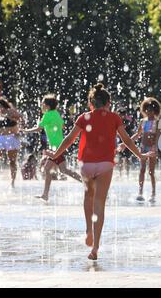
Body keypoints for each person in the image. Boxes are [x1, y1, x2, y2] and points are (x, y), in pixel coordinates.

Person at [44, 83, 152, 260]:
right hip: (105, 165)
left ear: (90, 103)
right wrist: (140, 155)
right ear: (109, 102)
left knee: (88, 196)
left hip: (86, 164)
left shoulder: (83, 117)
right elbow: (126, 140)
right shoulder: (114, 118)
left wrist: (56, 154)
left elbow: (69, 139)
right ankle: (95, 247)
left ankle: (88, 230)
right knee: (99, 203)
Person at [23, 94, 81, 201]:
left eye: (43, 104)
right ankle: (87, 182)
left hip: (56, 147)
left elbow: (38, 128)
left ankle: (88, 183)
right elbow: (62, 126)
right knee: (60, 169)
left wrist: (26, 131)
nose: (41, 106)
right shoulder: (56, 114)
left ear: (47, 106)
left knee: (52, 169)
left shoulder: (48, 115)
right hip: (60, 145)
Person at [122, 97, 161, 203]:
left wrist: (155, 147)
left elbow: (157, 136)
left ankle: (153, 193)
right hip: (143, 147)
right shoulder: (143, 122)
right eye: (147, 110)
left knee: (151, 171)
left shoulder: (157, 122)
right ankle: (140, 192)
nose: (149, 112)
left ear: (155, 111)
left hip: (152, 148)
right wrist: (127, 142)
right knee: (142, 170)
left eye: (151, 110)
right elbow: (138, 135)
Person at [0, 98, 23, 188]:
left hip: (11, 138)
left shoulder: (10, 111)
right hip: (0, 138)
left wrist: (19, 131)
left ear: (0, 105)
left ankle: (12, 182)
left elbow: (21, 118)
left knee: (12, 161)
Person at [116, 107, 135, 178]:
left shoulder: (127, 121)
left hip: (127, 141)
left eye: (122, 114)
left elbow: (131, 130)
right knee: (120, 158)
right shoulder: (117, 121)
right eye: (120, 114)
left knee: (127, 158)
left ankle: (127, 173)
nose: (121, 116)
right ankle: (120, 173)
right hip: (120, 142)